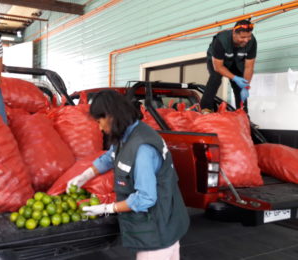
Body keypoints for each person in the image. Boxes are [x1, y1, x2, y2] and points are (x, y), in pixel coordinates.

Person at [66, 90, 190, 259]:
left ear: (110, 116)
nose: (99, 127)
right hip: (166, 221)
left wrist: (107, 208)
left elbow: (146, 198)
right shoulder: (128, 132)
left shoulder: (142, 149)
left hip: (156, 230)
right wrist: (85, 176)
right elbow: (111, 156)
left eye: (99, 121)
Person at [200, 19, 257, 113]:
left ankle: (243, 113)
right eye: (243, 37)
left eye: (248, 37)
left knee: (240, 83)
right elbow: (218, 67)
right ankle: (205, 108)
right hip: (217, 62)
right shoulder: (221, 40)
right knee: (216, 77)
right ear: (234, 33)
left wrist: (245, 86)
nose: (246, 40)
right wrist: (234, 78)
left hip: (235, 61)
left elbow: (249, 67)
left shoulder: (252, 42)